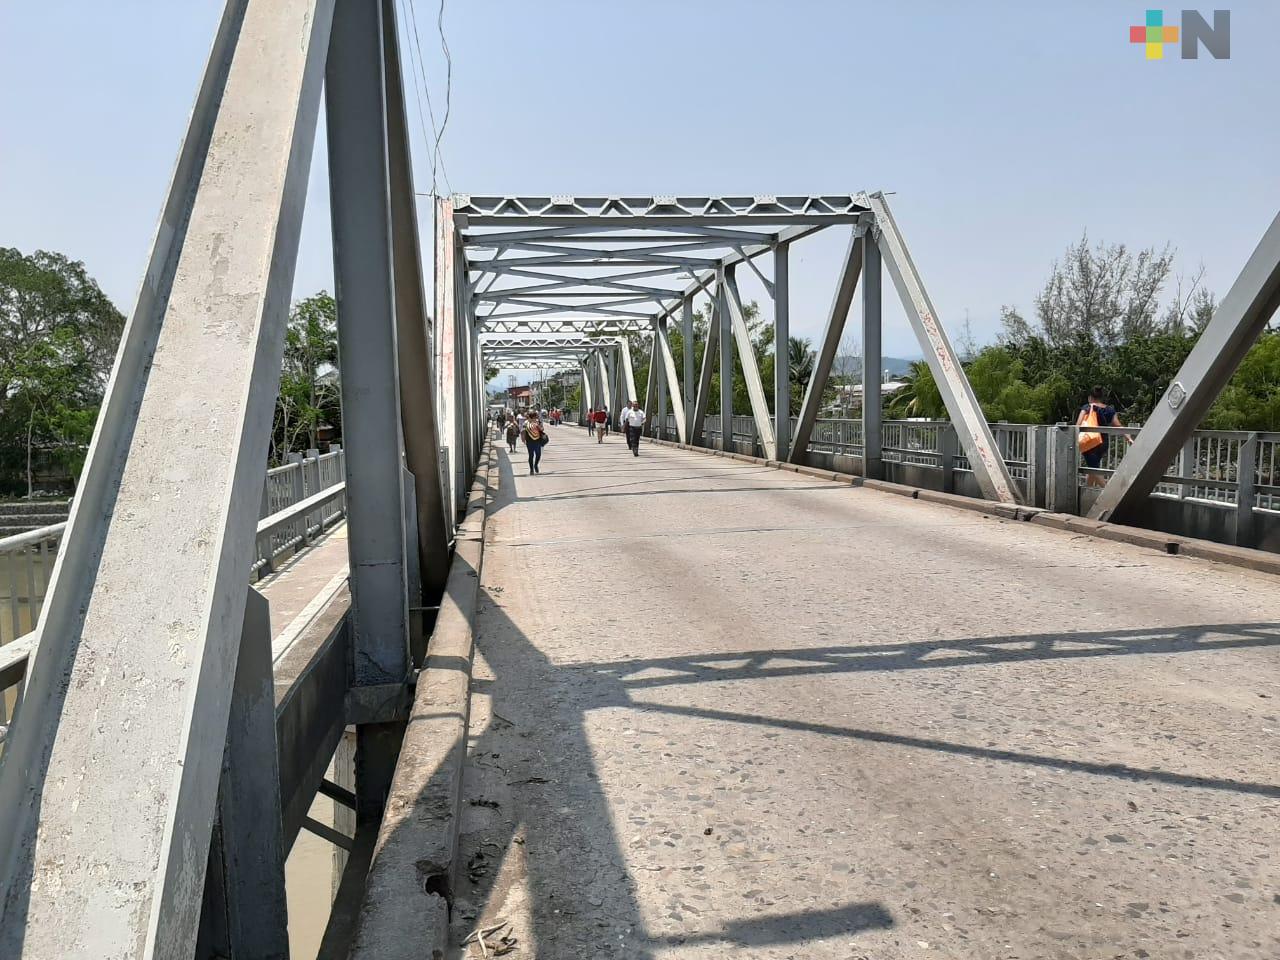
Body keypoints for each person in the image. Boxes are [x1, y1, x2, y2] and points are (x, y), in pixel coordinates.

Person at [1076, 386, 1132, 486]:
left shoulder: (1087, 407)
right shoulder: (1110, 410)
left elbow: (1078, 424)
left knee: (1093, 469)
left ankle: (1108, 494)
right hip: (1103, 444)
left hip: (1090, 442)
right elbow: (1118, 425)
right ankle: (1086, 495)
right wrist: (1128, 437)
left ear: (1090, 397)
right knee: (1093, 468)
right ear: (1101, 397)